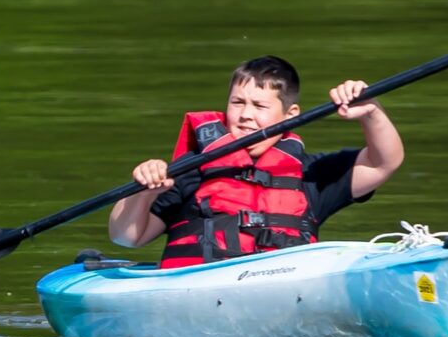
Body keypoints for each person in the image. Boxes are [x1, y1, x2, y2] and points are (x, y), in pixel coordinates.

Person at [108, 55, 404, 268]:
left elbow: (383, 163)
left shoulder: (311, 175)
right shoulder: (191, 171)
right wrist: (143, 192)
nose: (245, 115)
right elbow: (126, 237)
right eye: (237, 103)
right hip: (201, 293)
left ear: (290, 115)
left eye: (260, 106)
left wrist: (371, 112)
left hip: (286, 291)